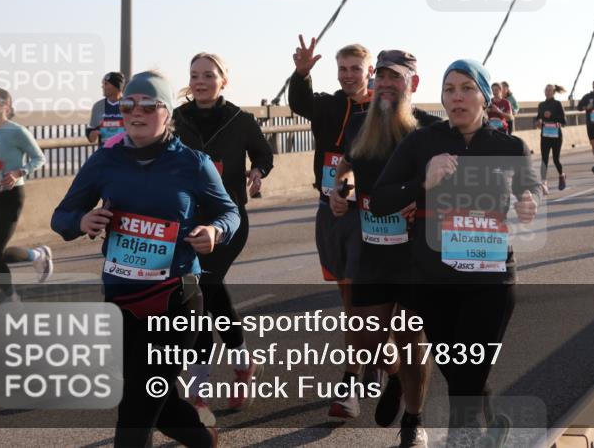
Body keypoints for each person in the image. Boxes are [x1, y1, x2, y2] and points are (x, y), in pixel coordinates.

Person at [51, 71, 240, 446]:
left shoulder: (192, 163)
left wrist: (215, 232)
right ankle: (204, 441)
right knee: (150, 397)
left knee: (135, 416)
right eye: (128, 106)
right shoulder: (105, 162)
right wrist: (82, 220)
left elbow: (229, 212)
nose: (136, 113)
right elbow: (61, 216)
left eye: (148, 106)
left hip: (177, 298)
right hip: (121, 299)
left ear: (167, 112)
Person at [371, 59, 540, 445]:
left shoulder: (511, 146)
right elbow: (380, 201)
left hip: (491, 281)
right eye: (450, 89)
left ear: (485, 95)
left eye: (467, 88)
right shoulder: (421, 143)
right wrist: (423, 181)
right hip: (434, 281)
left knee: (464, 378)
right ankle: (489, 425)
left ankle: (460, 439)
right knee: (460, 373)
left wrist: (528, 202)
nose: (457, 97)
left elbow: (527, 190)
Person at [329, 50, 438, 447]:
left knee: (411, 338)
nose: (388, 85)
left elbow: (452, 180)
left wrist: (423, 201)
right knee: (364, 341)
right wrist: (342, 190)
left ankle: (414, 419)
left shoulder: (430, 130)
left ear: (413, 84)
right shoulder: (361, 122)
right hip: (371, 247)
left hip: (414, 255)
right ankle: (392, 378)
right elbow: (347, 164)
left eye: (397, 78)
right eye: (382, 77)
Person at [172, 53, 275, 420]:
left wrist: (258, 170)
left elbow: (264, 152)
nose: (200, 81)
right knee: (211, 296)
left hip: (227, 222)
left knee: (199, 296)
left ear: (223, 80)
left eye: (208, 75)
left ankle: (197, 394)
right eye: (194, 75)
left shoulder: (240, 120)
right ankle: (244, 364)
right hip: (186, 223)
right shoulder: (176, 118)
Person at [288, 35, 375, 418]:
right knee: (348, 299)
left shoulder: (383, 110)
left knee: (358, 299)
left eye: (356, 68)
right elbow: (299, 102)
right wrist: (301, 73)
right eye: (342, 69)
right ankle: (381, 359)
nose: (348, 75)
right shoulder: (327, 105)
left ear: (370, 71)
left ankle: (350, 382)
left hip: (369, 213)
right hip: (330, 210)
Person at [0, 87, 52, 300]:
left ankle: (11, 298)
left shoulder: (17, 131)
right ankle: (37, 255)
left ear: (5, 106)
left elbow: (39, 158)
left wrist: (20, 171)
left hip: (12, 195)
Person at [535, 84, 567, 192]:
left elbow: (564, 121)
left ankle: (562, 175)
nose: (548, 92)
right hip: (545, 135)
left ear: (553, 92)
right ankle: (544, 183)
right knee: (544, 160)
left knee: (555, 159)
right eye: (546, 90)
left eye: (550, 90)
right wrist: (538, 122)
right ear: (544, 92)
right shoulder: (541, 105)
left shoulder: (557, 104)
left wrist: (554, 118)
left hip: (556, 135)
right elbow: (538, 118)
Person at [87, 71, 126, 148]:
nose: (102, 87)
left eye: (105, 84)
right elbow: (90, 134)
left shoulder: (129, 104)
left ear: (117, 86)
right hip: (105, 153)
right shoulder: (98, 106)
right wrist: (93, 134)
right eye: (103, 84)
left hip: (126, 153)